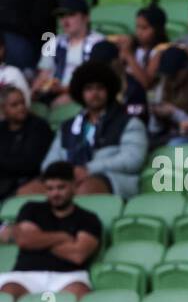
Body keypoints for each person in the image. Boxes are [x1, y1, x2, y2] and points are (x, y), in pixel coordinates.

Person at [36, 61, 148, 199]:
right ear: (80, 93)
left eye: (100, 88)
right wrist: (65, 174)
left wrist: (89, 169)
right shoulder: (68, 126)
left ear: (109, 90)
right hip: (67, 180)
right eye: (89, 89)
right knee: (28, 191)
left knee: (83, 191)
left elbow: (133, 160)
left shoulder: (129, 123)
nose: (94, 93)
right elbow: (49, 162)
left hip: (113, 181)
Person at [0, 163, 100, 300]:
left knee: (78, 294)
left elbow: (78, 254)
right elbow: (25, 241)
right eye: (50, 188)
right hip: (26, 274)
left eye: (61, 187)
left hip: (67, 277)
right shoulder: (31, 209)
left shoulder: (88, 218)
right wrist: (63, 237)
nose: (55, 193)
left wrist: (39, 241)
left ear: (73, 186)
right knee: (7, 293)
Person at [31, 0, 104, 108]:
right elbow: (43, 75)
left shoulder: (98, 43)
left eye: (71, 15)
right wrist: (33, 93)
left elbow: (97, 80)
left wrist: (64, 89)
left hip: (81, 95)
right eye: (62, 16)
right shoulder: (53, 42)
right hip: (50, 94)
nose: (65, 21)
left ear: (86, 17)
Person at [0, 85, 53, 200]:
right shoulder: (2, 128)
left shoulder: (39, 127)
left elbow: (30, 163)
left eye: (23, 103)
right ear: (3, 109)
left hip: (29, 181)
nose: (21, 108)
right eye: (14, 105)